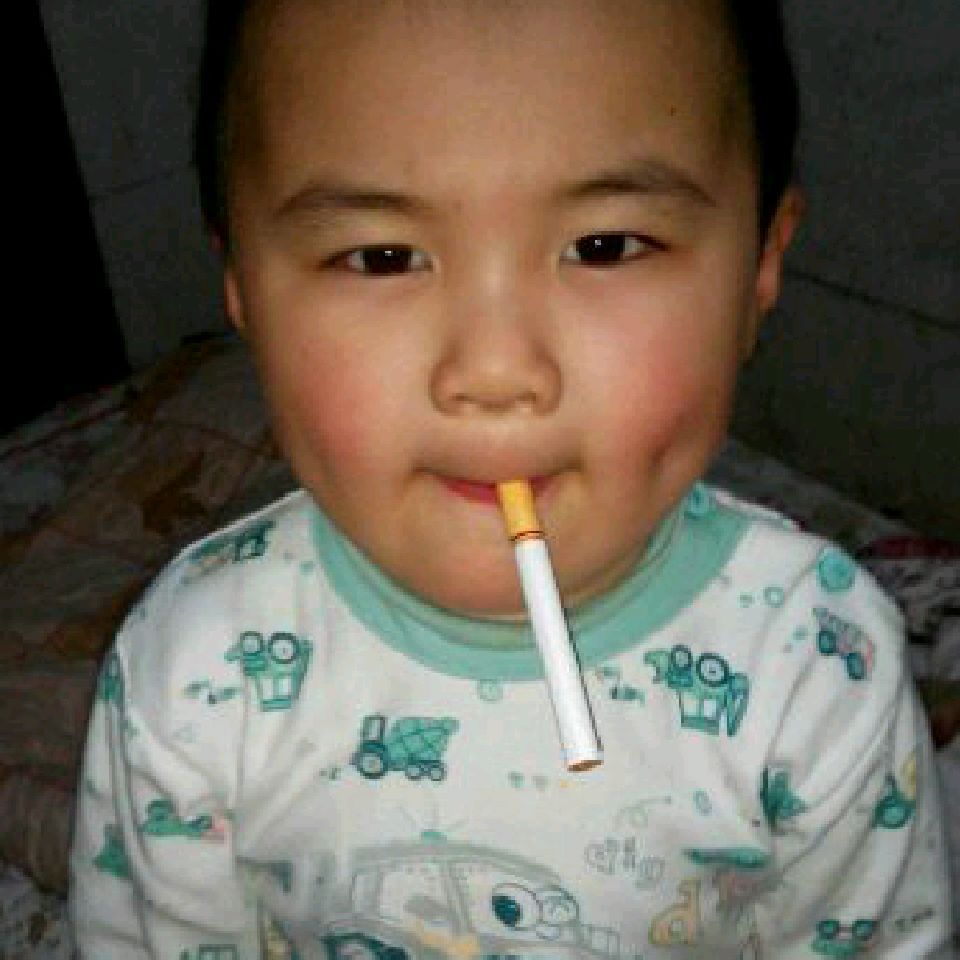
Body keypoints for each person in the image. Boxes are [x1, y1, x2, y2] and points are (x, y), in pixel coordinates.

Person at [69, 0, 954, 956]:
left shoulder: (818, 669)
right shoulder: (194, 672)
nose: (494, 372)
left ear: (761, 265)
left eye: (604, 246)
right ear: (241, 285)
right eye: (381, 258)